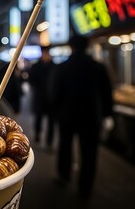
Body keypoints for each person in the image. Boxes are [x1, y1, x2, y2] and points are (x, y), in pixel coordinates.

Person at [49, 35, 114, 198]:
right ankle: (85, 187)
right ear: (87, 47)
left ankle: (64, 176)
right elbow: (107, 94)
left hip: (67, 116)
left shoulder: (62, 67)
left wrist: (56, 112)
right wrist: (107, 115)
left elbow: (54, 93)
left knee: (65, 146)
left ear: (71, 47)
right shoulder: (98, 67)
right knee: (89, 153)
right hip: (91, 117)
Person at [28, 45, 55, 148]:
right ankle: (37, 135)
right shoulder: (36, 66)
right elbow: (31, 80)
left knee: (51, 121)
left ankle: (49, 141)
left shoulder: (54, 66)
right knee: (38, 118)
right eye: (44, 53)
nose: (46, 55)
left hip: (52, 98)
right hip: (39, 97)